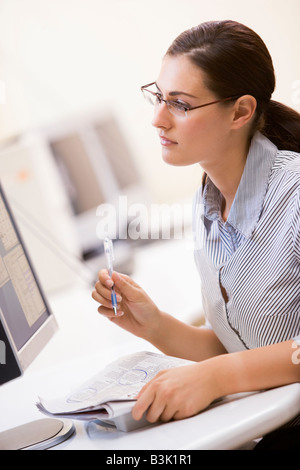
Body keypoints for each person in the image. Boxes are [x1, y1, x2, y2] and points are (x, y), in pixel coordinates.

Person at [92, 20, 300, 446]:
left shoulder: (294, 195)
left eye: (181, 105)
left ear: (240, 111)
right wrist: (157, 326)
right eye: (158, 97)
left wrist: (216, 377)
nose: (157, 119)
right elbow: (248, 348)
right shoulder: (206, 204)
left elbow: (242, 365)